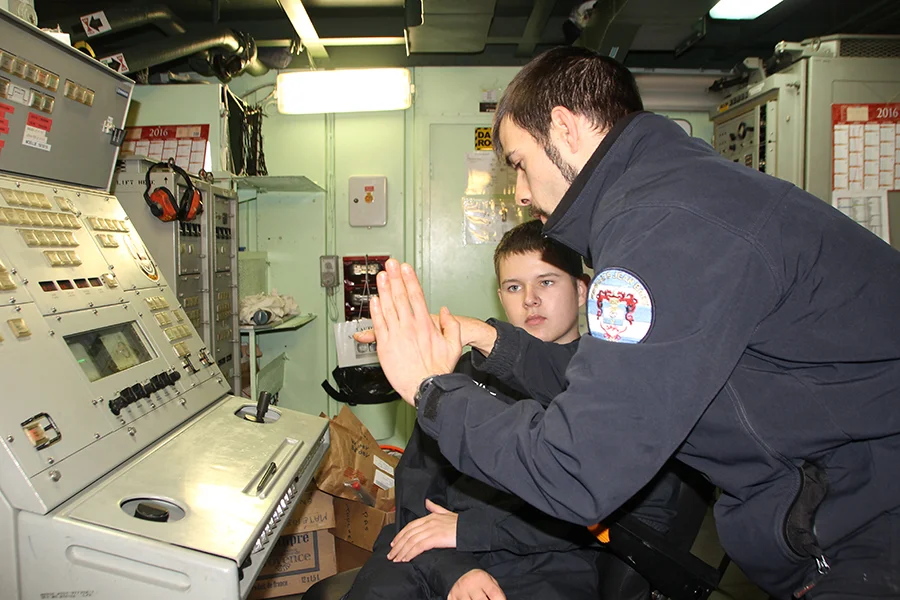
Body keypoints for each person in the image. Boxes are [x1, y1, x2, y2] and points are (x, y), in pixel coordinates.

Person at [361, 46, 900, 600]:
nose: (520, 193)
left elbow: (575, 468)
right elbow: (602, 378)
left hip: (871, 523)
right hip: (848, 510)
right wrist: (488, 339)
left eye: (519, 162)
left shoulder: (663, 226)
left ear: (565, 128)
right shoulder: (672, 195)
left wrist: (434, 393)